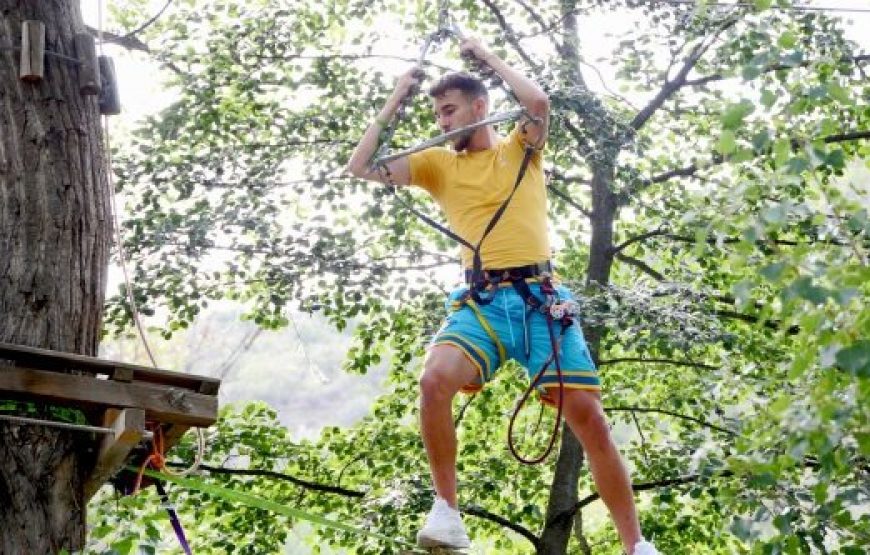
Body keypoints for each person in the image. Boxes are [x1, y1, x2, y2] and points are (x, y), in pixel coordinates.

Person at [347, 36, 659, 555]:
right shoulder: (435, 165)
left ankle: (635, 546)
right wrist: (394, 103)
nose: (444, 122)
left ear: (480, 107)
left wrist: (487, 58)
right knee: (434, 380)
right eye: (439, 114)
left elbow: (538, 104)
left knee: (588, 418)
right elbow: (360, 165)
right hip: (483, 302)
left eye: (450, 111)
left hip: (540, 298)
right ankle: (447, 513)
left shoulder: (520, 148)